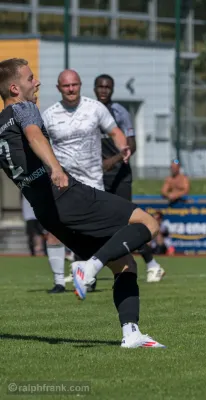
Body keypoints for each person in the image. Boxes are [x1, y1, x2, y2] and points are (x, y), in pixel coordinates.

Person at [0, 58, 165, 348]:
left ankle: (131, 333)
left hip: (47, 212)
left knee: (125, 264)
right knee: (148, 223)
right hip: (67, 195)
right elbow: (34, 133)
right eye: (30, 79)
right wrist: (56, 167)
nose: (36, 82)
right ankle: (88, 267)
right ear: (14, 88)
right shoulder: (23, 108)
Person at [41, 69, 129, 294]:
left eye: (74, 85)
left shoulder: (95, 108)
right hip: (64, 183)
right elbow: (38, 143)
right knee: (54, 228)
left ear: (80, 85)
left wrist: (123, 146)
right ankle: (59, 282)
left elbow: (115, 131)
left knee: (99, 232)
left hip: (92, 181)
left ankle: (92, 273)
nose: (71, 89)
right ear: (59, 88)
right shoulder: (49, 115)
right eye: (66, 86)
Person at [94, 74, 166, 283]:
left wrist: (112, 161)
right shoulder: (89, 111)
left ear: (113, 89)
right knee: (95, 221)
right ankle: (86, 268)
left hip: (120, 175)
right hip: (97, 176)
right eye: (100, 86)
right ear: (95, 88)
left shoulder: (120, 112)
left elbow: (131, 145)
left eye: (108, 87)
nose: (104, 90)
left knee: (126, 222)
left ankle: (152, 264)